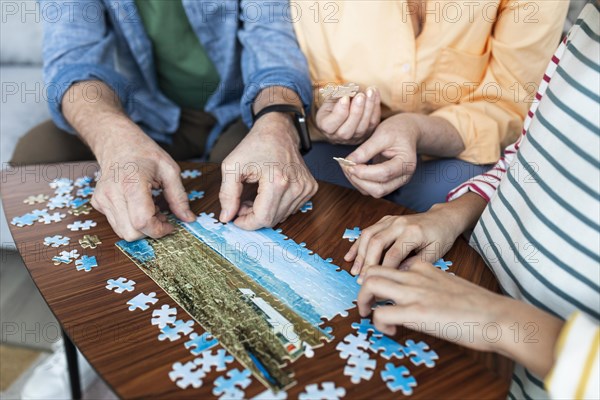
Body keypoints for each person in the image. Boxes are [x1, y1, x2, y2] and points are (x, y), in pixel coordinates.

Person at [349, 3, 600, 398]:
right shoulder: (589, 24)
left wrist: (501, 320)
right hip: (463, 307)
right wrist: (449, 215)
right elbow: (525, 156)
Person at [11, 0, 317, 240]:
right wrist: (113, 139)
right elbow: (72, 62)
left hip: (240, 110)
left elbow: (273, 44)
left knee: (248, 196)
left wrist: (277, 123)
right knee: (36, 156)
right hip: (147, 112)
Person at [294, 0, 569, 211]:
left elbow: (507, 105)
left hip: (452, 155)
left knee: (463, 216)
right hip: (333, 147)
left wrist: (415, 130)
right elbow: (318, 84)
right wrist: (334, 109)